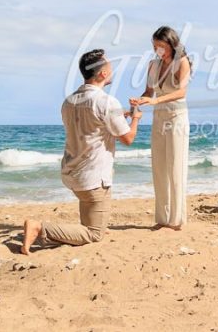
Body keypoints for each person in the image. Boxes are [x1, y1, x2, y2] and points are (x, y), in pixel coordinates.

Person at [21, 49, 141, 255]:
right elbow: (128, 138)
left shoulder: (69, 101)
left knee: (90, 216)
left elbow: (91, 123)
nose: (112, 71)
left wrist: (122, 114)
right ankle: (39, 228)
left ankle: (88, 226)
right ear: (103, 73)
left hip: (72, 172)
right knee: (95, 234)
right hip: (94, 178)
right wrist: (136, 118)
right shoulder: (107, 102)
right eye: (110, 67)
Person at [131, 26, 191, 231]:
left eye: (162, 46)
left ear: (172, 44)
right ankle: (163, 218)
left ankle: (177, 219)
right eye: (155, 46)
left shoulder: (182, 62)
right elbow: (149, 92)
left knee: (176, 167)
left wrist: (156, 101)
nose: (158, 50)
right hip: (159, 118)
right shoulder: (153, 65)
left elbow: (181, 92)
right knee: (159, 167)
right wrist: (139, 101)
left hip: (177, 118)